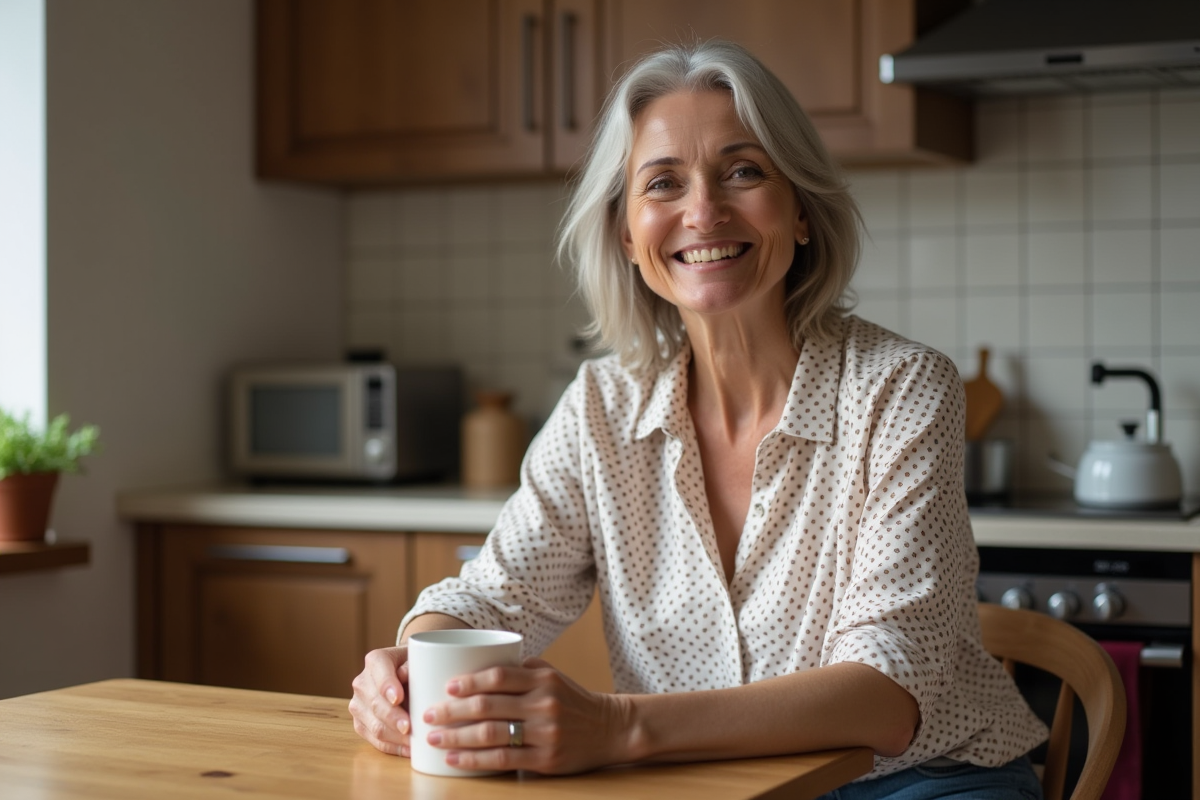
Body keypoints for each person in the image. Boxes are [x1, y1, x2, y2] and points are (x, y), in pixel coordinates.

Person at [350, 39, 1048, 798]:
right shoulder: (599, 408)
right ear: (627, 234)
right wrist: (408, 669)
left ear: (802, 210)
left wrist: (619, 728)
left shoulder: (903, 389)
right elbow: (490, 595)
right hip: (711, 783)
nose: (704, 211)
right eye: (663, 184)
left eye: (743, 172)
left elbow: (887, 699)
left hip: (919, 782)